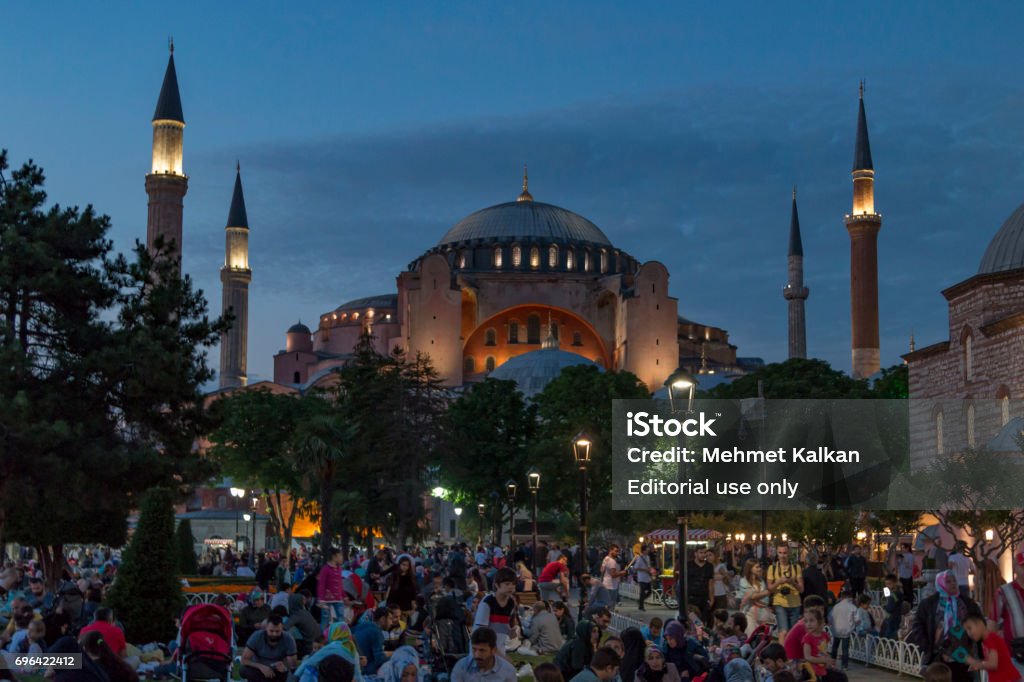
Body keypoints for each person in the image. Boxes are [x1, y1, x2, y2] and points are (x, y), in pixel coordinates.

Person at [908, 570, 982, 682]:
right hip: (938, 655)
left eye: (954, 581)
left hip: (963, 655)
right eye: (948, 581)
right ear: (940, 583)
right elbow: (917, 626)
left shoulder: (967, 603)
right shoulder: (929, 604)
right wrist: (927, 645)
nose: (953, 583)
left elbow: (979, 625)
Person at [294, 620, 364, 682]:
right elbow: (357, 674)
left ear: (333, 633)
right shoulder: (352, 648)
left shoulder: (332, 647)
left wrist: (295, 677)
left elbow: (310, 662)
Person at [962, 613, 1021, 682]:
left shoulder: (991, 639)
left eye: (969, 628)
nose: (969, 633)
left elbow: (993, 665)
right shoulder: (987, 640)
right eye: (966, 631)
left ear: (980, 624)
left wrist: (974, 662)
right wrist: (979, 664)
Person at [472, 567, 518, 654]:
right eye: (507, 584)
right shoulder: (487, 602)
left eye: (513, 584)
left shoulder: (511, 602)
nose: (511, 587)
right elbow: (481, 633)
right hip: (482, 649)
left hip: (500, 647)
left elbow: (511, 624)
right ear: (497, 585)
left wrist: (512, 631)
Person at [241, 614, 297, 682]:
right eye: (271, 631)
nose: (274, 634)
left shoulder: (288, 639)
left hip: (277, 671)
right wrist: (261, 667)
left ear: (282, 629)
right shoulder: (257, 636)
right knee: (244, 670)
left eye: (277, 631)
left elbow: (293, 665)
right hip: (258, 670)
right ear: (266, 628)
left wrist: (285, 666)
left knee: (290, 675)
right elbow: (244, 660)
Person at [995, 550, 1024, 678]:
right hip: (1015, 655)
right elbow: (992, 623)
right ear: (1015, 568)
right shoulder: (1004, 591)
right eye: (1023, 566)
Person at [451, 626, 517, 682]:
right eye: (474, 649)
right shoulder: (461, 666)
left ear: (493, 650)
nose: (477, 655)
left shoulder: (508, 671)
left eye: (482, 650)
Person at [767, 545, 803, 641]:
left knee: (793, 632)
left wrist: (792, 582)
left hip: (795, 603)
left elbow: (801, 589)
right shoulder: (772, 568)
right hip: (779, 602)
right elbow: (770, 588)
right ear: (777, 553)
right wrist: (779, 582)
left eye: (785, 553)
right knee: (783, 631)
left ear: (789, 553)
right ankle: (782, 654)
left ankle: (791, 654)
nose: (782, 556)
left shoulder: (796, 567)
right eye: (780, 553)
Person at [353, 606, 392, 675]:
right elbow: (379, 659)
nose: (391, 623)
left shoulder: (361, 626)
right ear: (383, 619)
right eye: (390, 619)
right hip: (365, 672)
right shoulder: (376, 632)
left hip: (355, 669)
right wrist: (394, 656)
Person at [738, 560, 771, 633]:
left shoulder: (761, 580)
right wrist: (766, 592)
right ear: (750, 568)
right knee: (750, 635)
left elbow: (765, 599)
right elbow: (752, 597)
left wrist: (757, 597)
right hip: (749, 613)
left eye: (760, 567)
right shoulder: (743, 581)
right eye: (757, 567)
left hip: (762, 614)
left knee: (761, 637)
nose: (760, 569)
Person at [828, 589, 856, 671]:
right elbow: (857, 619)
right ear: (849, 597)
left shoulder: (836, 607)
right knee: (845, 649)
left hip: (836, 629)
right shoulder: (852, 607)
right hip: (847, 630)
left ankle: (832, 663)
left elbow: (830, 617)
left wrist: (833, 624)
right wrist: (853, 626)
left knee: (834, 647)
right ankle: (845, 665)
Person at [685, 547, 714, 623]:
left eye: (704, 553)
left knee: (703, 621)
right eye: (701, 553)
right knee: (694, 621)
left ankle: (701, 634)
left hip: (704, 599)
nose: (703, 555)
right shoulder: (688, 565)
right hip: (692, 599)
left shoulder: (709, 566)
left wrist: (712, 599)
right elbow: (683, 582)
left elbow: (710, 583)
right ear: (695, 554)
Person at [319, 548, 347, 627]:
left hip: (338, 598)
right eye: (340, 555)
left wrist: (344, 596)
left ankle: (340, 636)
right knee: (325, 619)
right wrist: (321, 599)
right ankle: (323, 638)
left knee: (341, 618)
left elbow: (340, 584)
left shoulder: (339, 569)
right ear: (334, 557)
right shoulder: (325, 569)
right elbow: (321, 584)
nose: (342, 557)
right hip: (326, 599)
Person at [633, 547, 654, 611]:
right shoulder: (639, 558)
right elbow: (635, 567)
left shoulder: (648, 557)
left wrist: (650, 569)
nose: (648, 551)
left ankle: (640, 600)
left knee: (649, 591)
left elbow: (648, 565)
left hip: (647, 577)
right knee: (642, 592)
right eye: (647, 550)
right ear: (643, 551)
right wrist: (644, 570)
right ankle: (641, 606)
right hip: (642, 577)